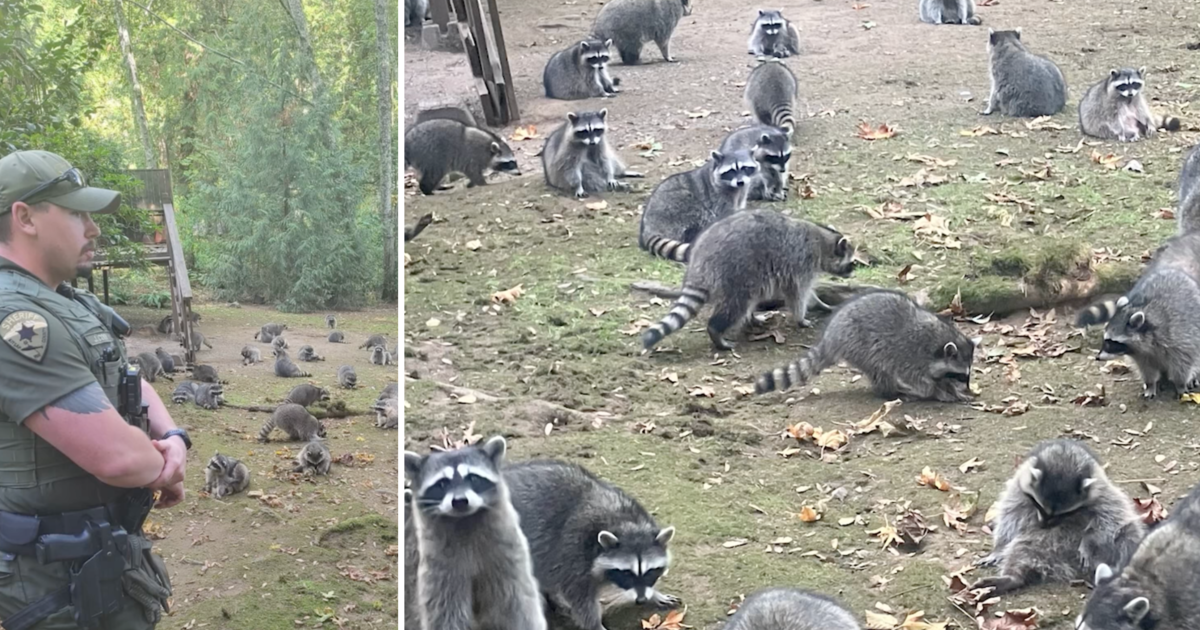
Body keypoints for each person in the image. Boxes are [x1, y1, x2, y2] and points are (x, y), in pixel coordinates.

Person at [0, 150, 191, 630]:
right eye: (76, 213)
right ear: (25, 217)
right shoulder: (19, 321)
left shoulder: (62, 301)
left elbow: (129, 376)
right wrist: (162, 469)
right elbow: (118, 459)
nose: (94, 228)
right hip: (50, 582)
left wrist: (174, 437)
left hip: (95, 561)